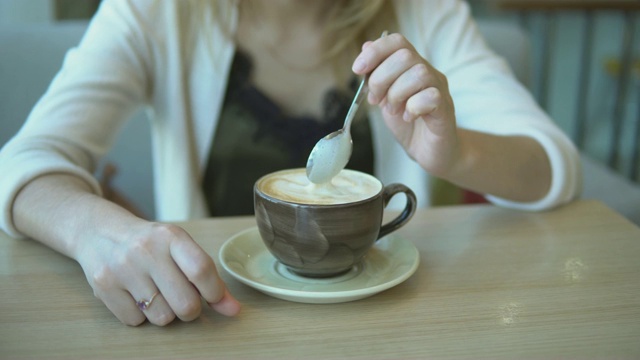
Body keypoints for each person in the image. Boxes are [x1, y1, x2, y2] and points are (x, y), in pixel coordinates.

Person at [0, 0, 581, 326]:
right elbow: (25, 160)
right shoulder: (158, 12)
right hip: (220, 321)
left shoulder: (424, 13)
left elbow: (552, 165)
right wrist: (94, 228)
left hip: (391, 327)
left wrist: (458, 152)